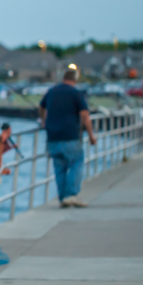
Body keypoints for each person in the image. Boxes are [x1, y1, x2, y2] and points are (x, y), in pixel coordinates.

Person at [39, 69, 97, 208]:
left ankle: (62, 197)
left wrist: (43, 121)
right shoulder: (75, 93)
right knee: (76, 163)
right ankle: (71, 195)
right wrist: (91, 135)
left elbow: (41, 107)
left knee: (59, 168)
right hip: (70, 137)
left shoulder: (52, 91)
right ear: (75, 80)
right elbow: (85, 115)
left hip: (52, 137)